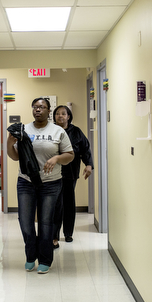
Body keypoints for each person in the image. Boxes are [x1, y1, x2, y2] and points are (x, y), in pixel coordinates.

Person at [7, 98, 74, 274]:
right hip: (26, 182)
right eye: (35, 107)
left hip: (51, 183)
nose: (38, 110)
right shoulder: (24, 130)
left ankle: (45, 259)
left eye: (42, 107)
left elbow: (70, 155)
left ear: (48, 110)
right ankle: (30, 256)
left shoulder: (57, 131)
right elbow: (14, 156)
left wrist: (56, 158)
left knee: (46, 222)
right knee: (25, 222)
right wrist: (9, 142)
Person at [52, 105, 93, 247]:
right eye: (57, 114)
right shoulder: (51, 131)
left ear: (68, 116)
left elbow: (85, 148)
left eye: (63, 113)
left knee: (68, 203)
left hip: (70, 173)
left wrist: (89, 165)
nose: (60, 116)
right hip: (53, 174)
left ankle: (68, 233)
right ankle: (54, 235)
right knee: (56, 205)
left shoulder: (76, 132)